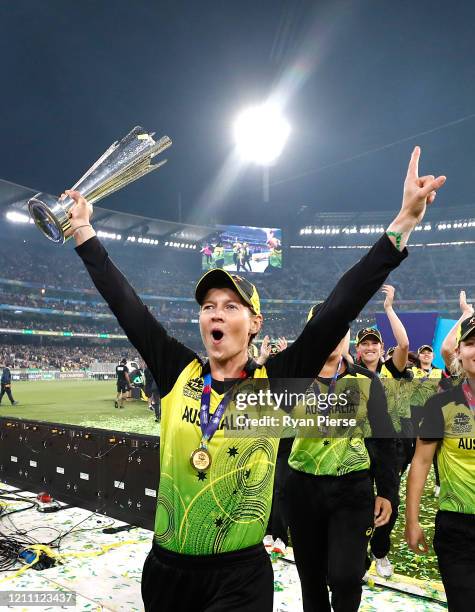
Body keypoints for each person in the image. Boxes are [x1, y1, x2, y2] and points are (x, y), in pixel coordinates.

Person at [63, 145, 444, 612]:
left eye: (230, 306)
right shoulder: (176, 369)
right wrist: (82, 228)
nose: (215, 315)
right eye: (207, 306)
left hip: (239, 578)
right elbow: (126, 304)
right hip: (166, 572)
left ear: (255, 322)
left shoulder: (277, 381)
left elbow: (342, 302)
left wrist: (403, 221)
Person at [287, 316, 397, 612]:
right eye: (325, 328)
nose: (333, 335)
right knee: (310, 579)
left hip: (352, 488)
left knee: (346, 576)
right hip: (302, 488)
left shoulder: (367, 381)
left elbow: (385, 440)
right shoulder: (292, 379)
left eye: (340, 330)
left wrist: (387, 491)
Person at [405, 315, 475, 612]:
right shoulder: (442, 403)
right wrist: (411, 520)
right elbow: (420, 462)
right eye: (471, 343)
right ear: (459, 351)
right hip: (459, 529)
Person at [355, 284, 411, 578]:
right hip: (361, 444)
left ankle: (380, 551)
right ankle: (360, 557)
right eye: (365, 343)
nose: (370, 347)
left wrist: (388, 308)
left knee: (390, 501)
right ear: (358, 348)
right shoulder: (351, 373)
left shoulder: (392, 369)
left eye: (374, 343)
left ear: (380, 346)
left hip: (392, 446)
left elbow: (403, 345)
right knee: (361, 499)